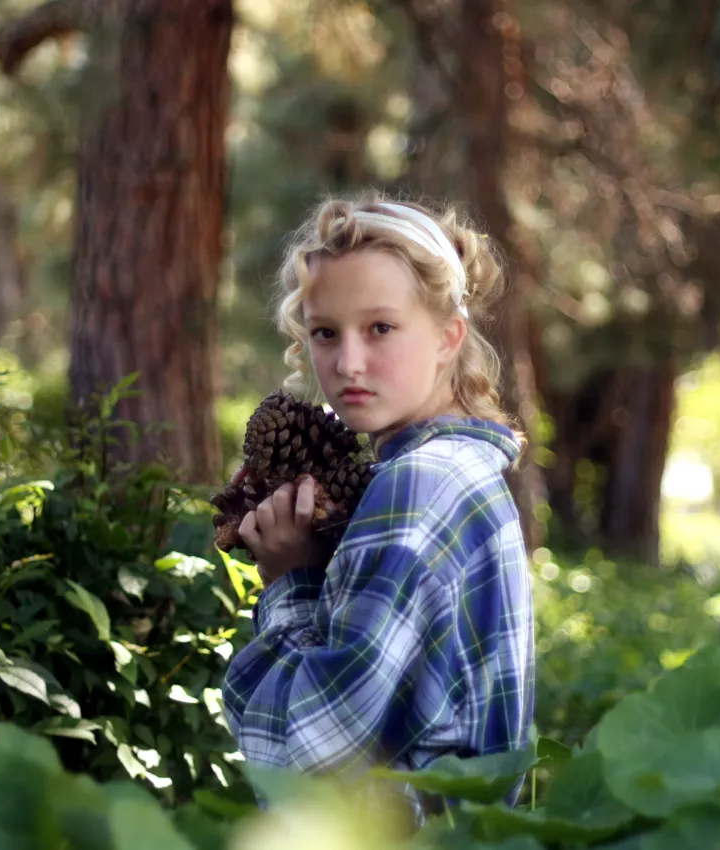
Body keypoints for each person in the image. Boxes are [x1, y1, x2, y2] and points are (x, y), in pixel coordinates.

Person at [220, 193, 535, 821]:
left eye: (380, 328)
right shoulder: (464, 471)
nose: (348, 363)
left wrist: (290, 582)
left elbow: (305, 767)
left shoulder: (418, 484)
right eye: (325, 332)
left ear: (448, 336)